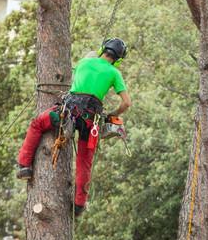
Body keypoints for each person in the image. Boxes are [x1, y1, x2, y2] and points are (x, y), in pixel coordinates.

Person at [16, 38, 131, 216]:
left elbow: (84, 69)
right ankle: (78, 205)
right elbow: (126, 103)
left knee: (37, 123)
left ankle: (24, 166)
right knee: (85, 160)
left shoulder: (85, 62)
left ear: (102, 49)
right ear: (119, 59)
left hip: (68, 110)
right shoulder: (114, 73)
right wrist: (112, 115)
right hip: (91, 120)